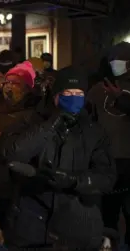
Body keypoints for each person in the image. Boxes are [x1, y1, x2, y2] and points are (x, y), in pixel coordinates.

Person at [0, 66, 116, 251]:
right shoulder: (32, 121)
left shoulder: (94, 131)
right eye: (67, 92)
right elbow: (14, 151)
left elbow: (106, 178)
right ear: (55, 95)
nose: (73, 97)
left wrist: (72, 180)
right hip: (33, 222)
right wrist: (52, 124)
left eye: (78, 93)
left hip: (77, 224)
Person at [0, 61, 40, 231]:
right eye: (7, 82)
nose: (9, 87)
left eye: (16, 83)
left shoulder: (33, 116)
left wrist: (1, 138)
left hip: (17, 189)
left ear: (28, 88)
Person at [87, 41, 130, 247]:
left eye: (120, 60)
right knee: (108, 215)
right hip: (107, 161)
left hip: (129, 161)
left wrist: (121, 99)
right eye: (113, 60)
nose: (116, 64)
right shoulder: (98, 89)